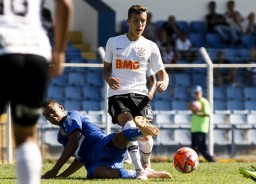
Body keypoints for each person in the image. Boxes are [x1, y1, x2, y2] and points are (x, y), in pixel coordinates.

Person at [0, 1, 72, 184]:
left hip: (3, 49)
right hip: (35, 54)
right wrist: (60, 52)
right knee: (26, 135)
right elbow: (65, 5)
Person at [103, 4, 169, 180]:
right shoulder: (113, 42)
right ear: (128, 21)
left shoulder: (151, 46)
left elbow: (163, 74)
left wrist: (164, 82)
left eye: (143, 21)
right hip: (117, 95)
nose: (140, 25)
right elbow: (105, 70)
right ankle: (140, 171)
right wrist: (109, 79)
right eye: (136, 21)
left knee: (146, 136)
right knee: (130, 127)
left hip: (140, 97)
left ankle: (147, 167)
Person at [41, 99, 171, 180]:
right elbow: (78, 160)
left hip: (102, 144)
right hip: (94, 163)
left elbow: (74, 139)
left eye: (52, 111)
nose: (51, 116)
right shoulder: (61, 137)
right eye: (47, 115)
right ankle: (142, 173)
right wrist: (61, 176)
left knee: (119, 138)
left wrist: (55, 170)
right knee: (98, 173)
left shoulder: (71, 116)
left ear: (61, 108)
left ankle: (141, 131)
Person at [188, 85, 216, 162]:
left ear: (201, 93)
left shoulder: (204, 101)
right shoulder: (195, 102)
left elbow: (207, 113)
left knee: (202, 148)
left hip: (201, 128)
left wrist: (196, 113)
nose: (196, 94)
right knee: (193, 147)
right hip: (195, 128)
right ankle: (194, 161)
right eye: (195, 93)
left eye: (197, 93)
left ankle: (212, 160)